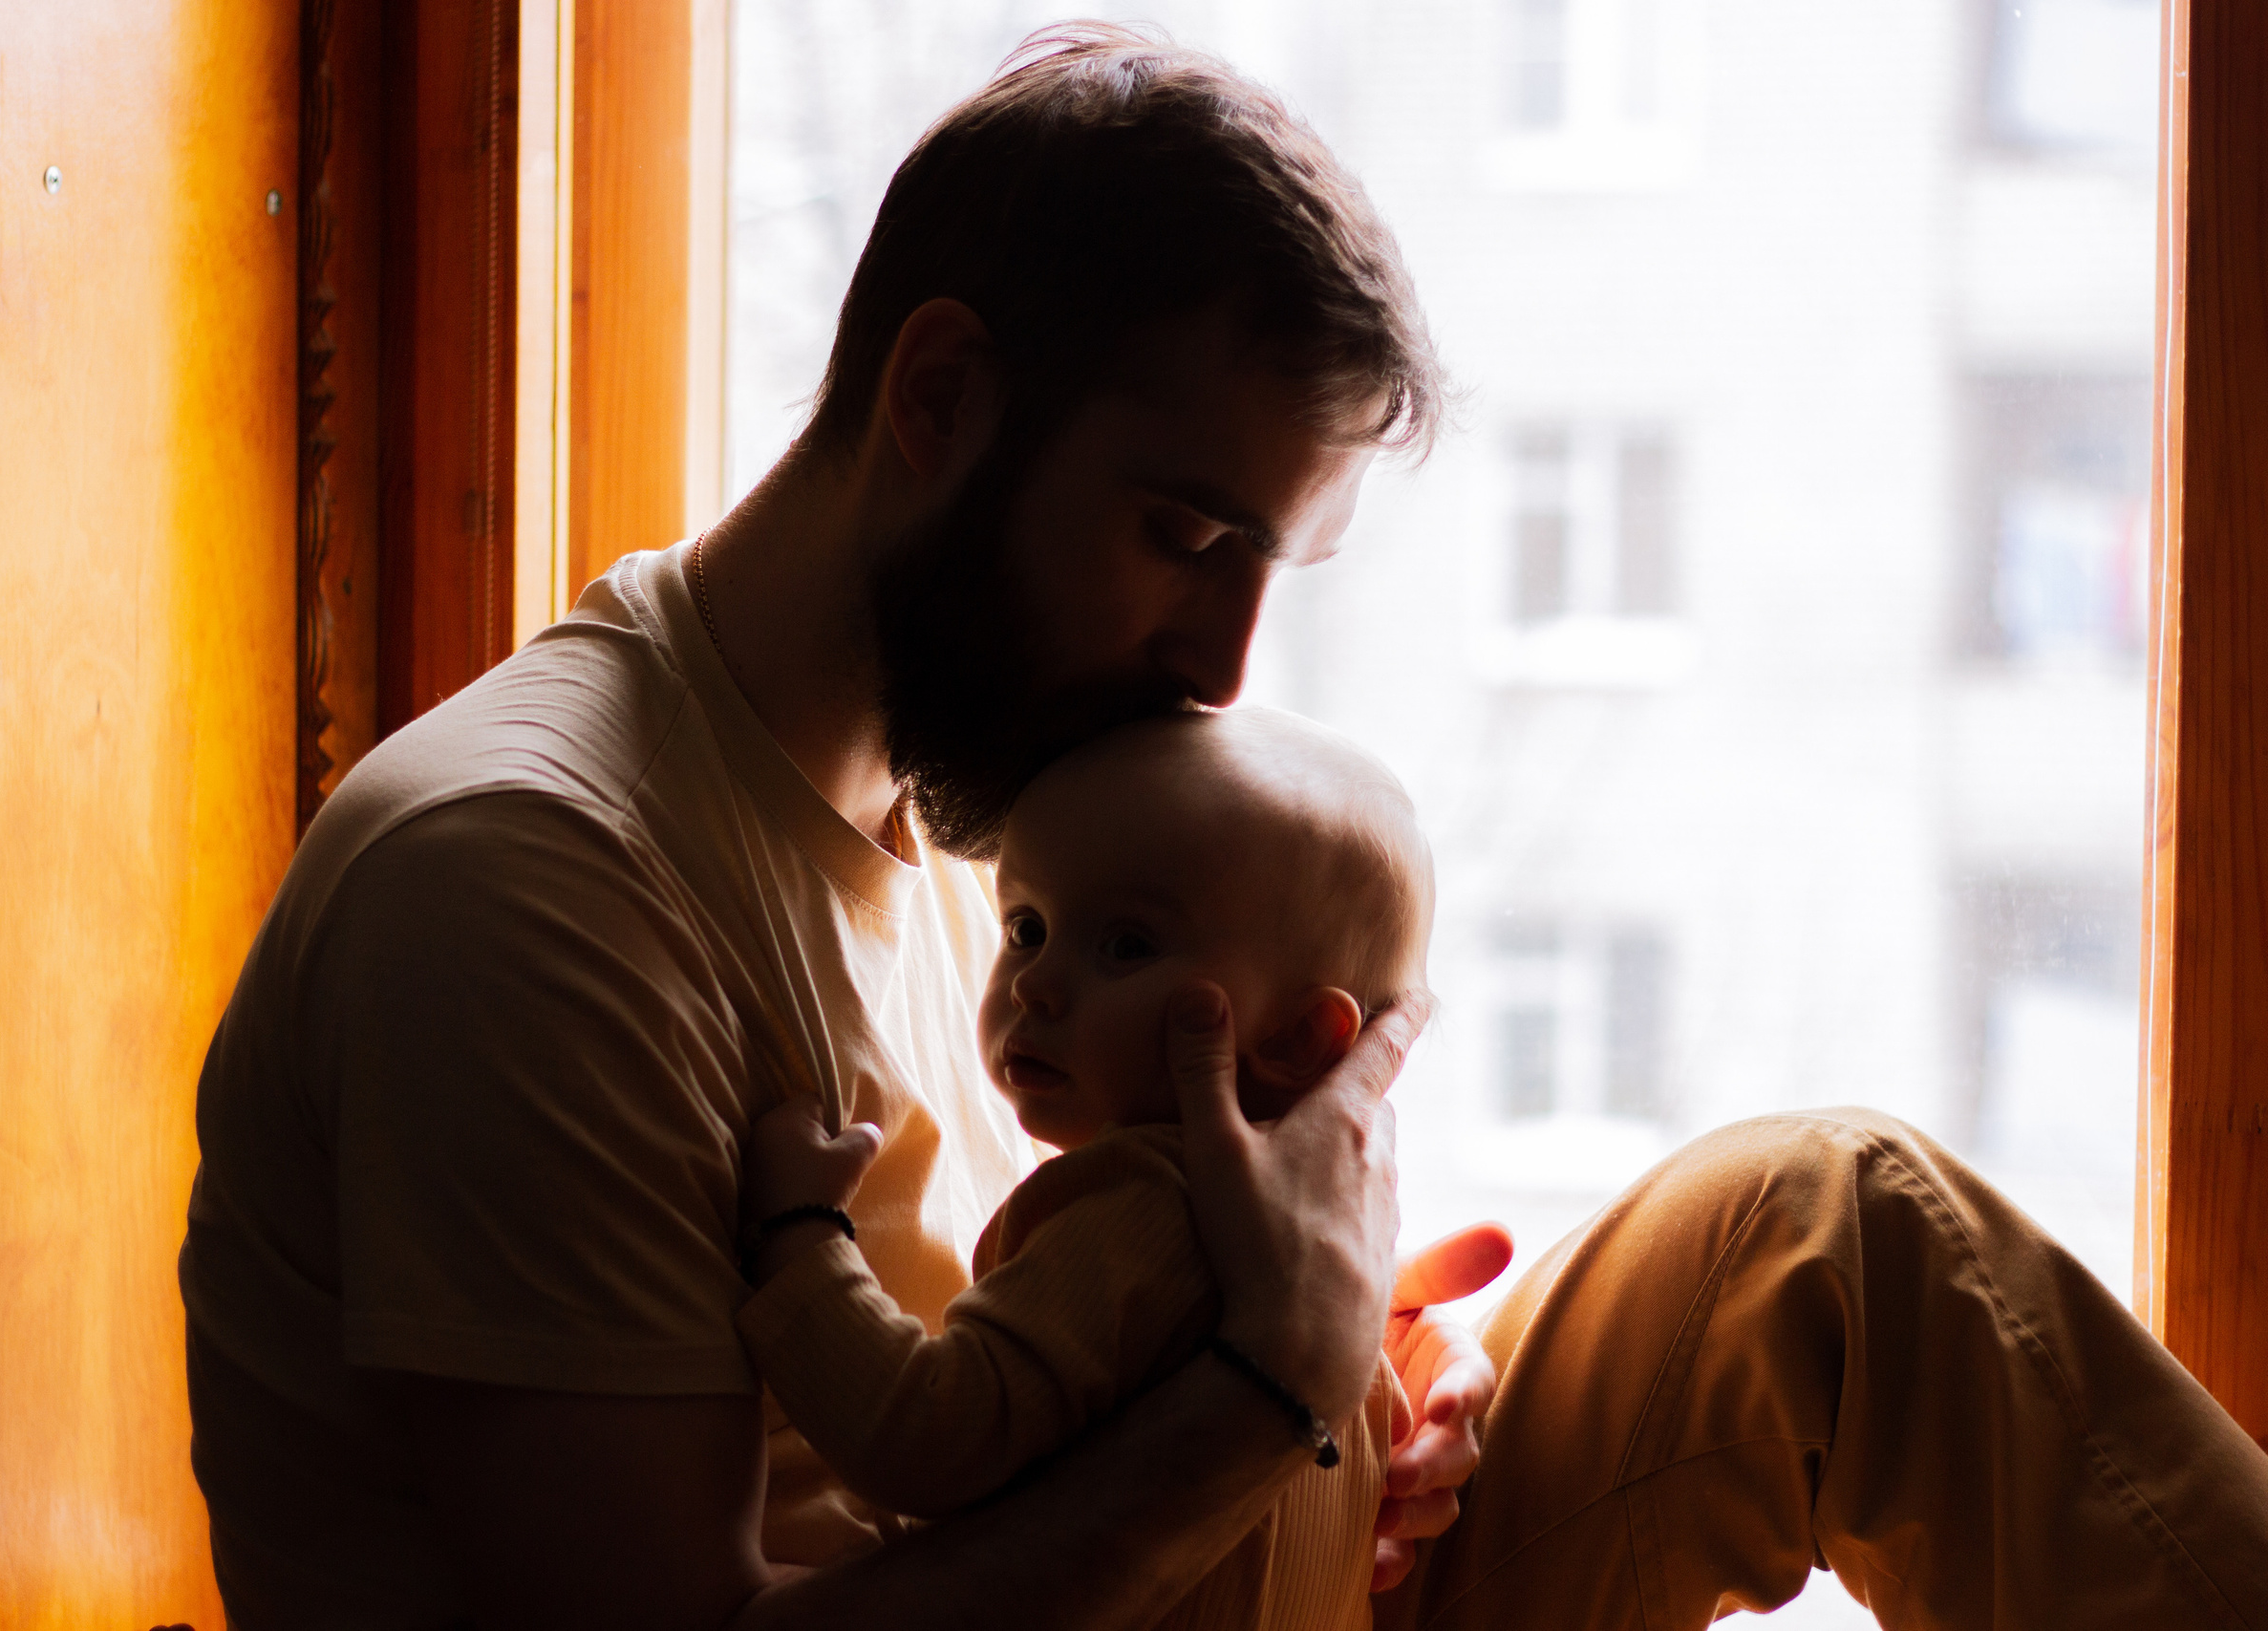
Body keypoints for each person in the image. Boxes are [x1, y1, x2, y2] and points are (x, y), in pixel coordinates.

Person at [179, 22, 2268, 1631]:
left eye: (1273, 571)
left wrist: (1357, 1400)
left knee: (1829, 1240)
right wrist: (1254, 1404)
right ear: (934, 398)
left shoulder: (966, 829)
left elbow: (1057, 1347)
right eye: (1182, 535)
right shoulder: (536, 882)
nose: (1221, 665)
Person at [734, 707, 1459, 1631]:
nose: (1033, 982)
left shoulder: (1138, 1203)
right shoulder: (1331, 1252)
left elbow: (925, 1438)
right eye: (1027, 927)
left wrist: (799, 1236)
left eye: (1125, 945)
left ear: (1299, 1036)